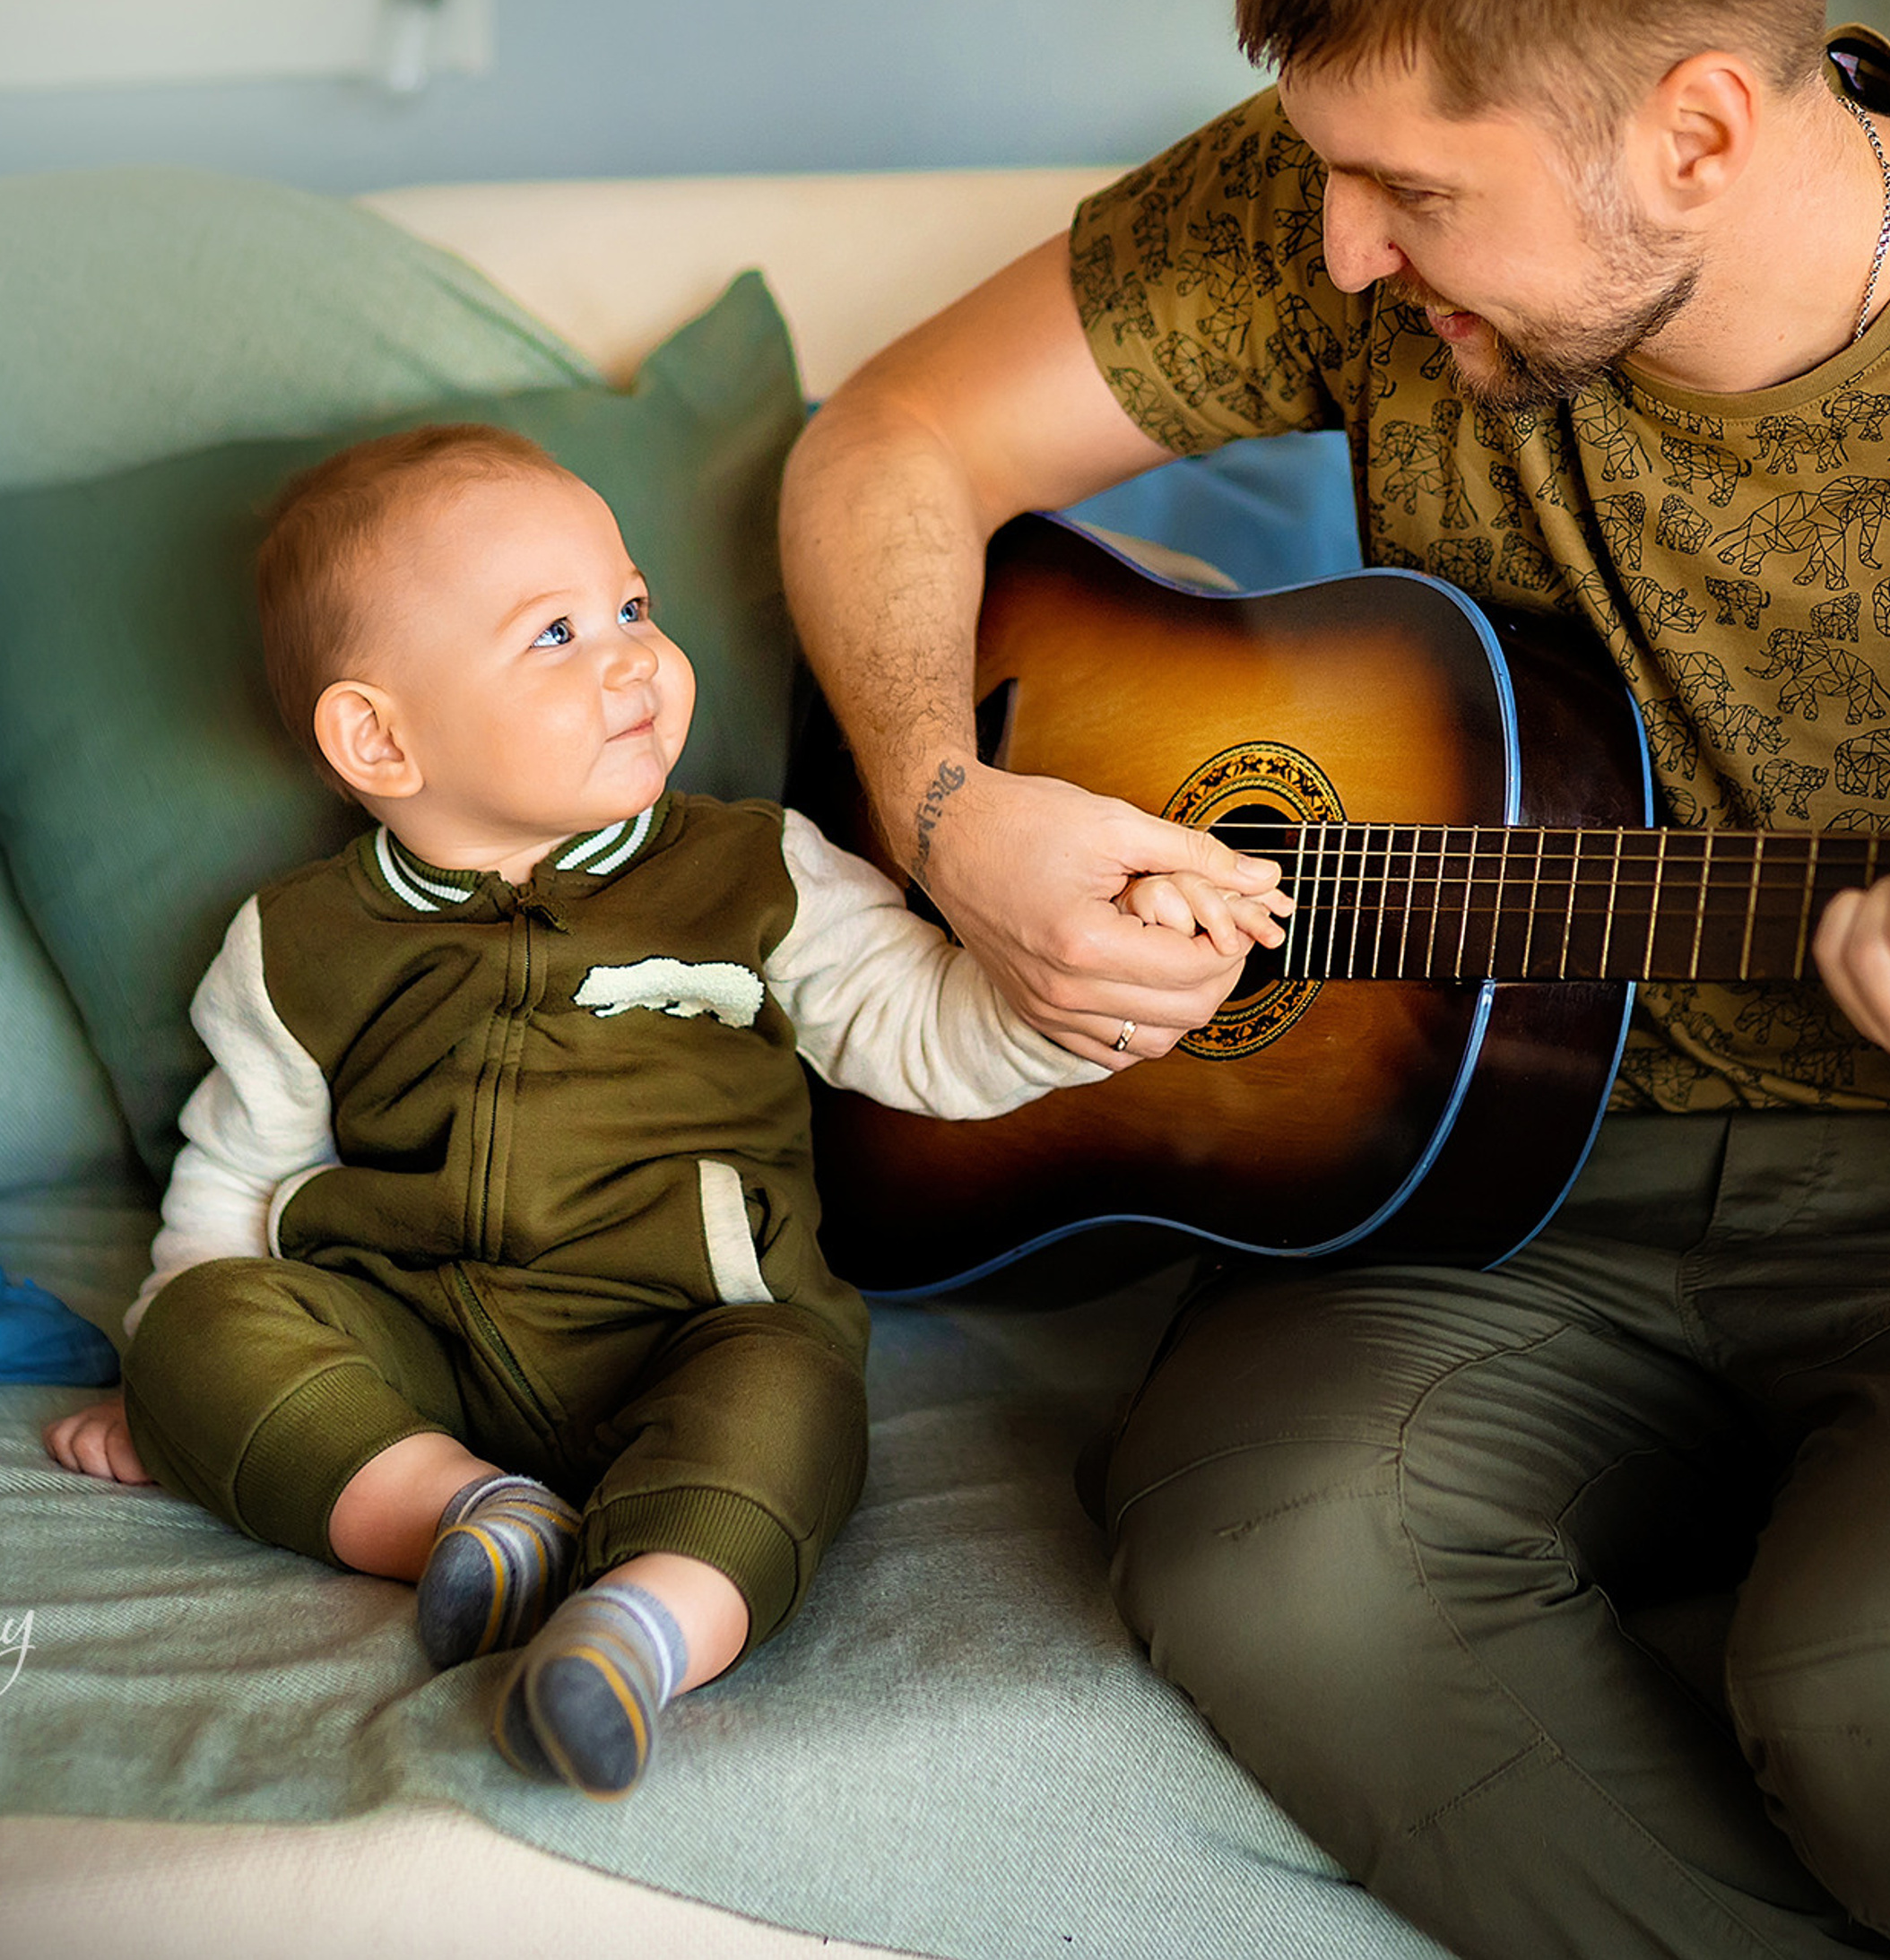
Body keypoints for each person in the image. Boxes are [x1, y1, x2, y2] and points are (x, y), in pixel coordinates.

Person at [776, 0, 1890, 1954]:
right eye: (1326, 169)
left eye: (1410, 191)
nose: (1340, 254)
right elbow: (886, 443)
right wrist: (944, 802)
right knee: (1265, 1560)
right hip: (1500, 1180)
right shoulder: (1343, 206)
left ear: (1694, 128)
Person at [42, 424, 1281, 1800]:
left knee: (794, 1402)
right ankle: (461, 1516)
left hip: (696, 1330)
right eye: (557, 634)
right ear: (378, 737)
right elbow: (234, 1177)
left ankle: (635, 1634)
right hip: (415, 1342)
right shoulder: (295, 943)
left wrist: (1076, 1003)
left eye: (634, 606)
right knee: (202, 1319)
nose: (631, 654)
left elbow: (919, 1027)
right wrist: (178, 1366)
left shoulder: (752, 871)